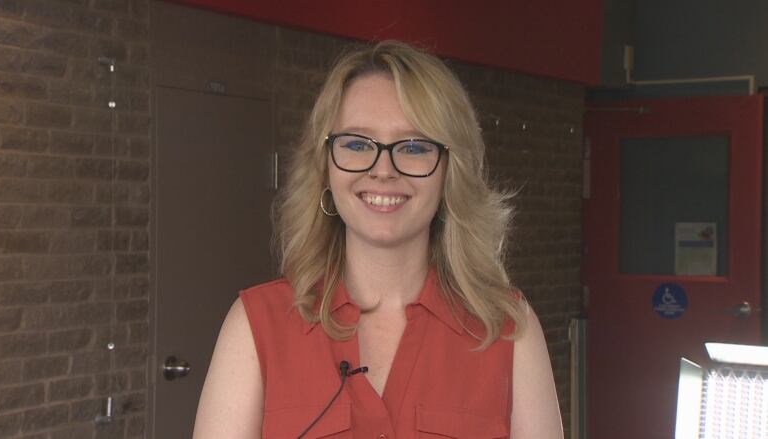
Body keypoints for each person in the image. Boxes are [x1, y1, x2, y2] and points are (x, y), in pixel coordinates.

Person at [193, 41, 563, 438]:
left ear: (449, 172)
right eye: (357, 144)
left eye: (414, 146)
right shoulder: (255, 326)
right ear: (326, 167)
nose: (383, 170)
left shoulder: (509, 329)